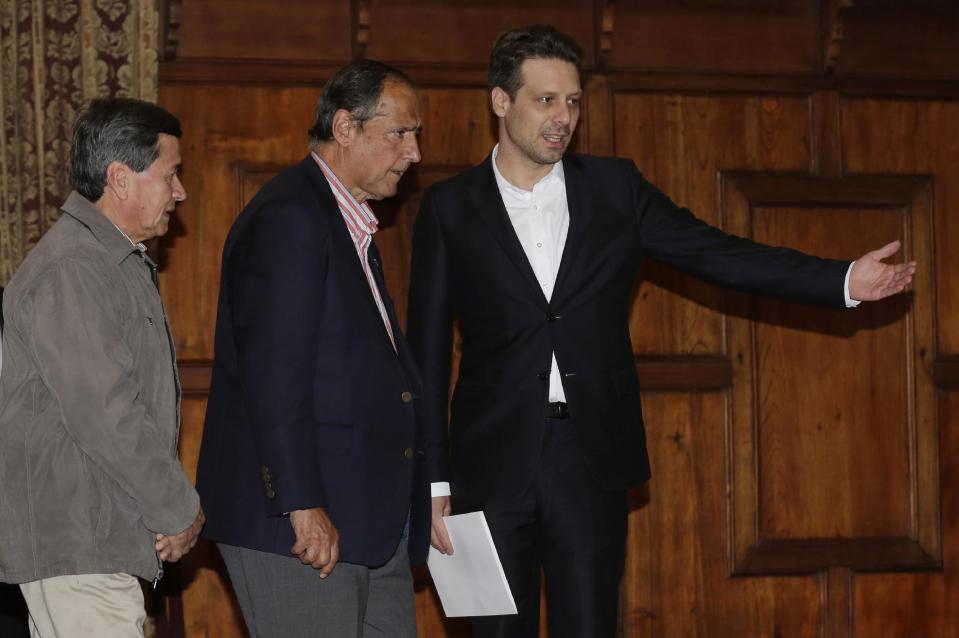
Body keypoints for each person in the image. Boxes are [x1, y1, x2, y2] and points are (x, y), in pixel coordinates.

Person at [407, 24, 917, 638]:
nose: (563, 117)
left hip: (590, 461)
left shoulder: (616, 190)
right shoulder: (449, 207)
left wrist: (840, 280)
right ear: (500, 101)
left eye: (573, 101)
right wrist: (433, 480)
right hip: (485, 469)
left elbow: (721, 254)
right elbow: (427, 356)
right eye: (546, 100)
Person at [196, 59, 430, 638]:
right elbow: (276, 378)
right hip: (300, 529)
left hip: (368, 523)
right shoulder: (291, 218)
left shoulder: (348, 224)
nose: (414, 152)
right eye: (400, 132)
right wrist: (301, 504)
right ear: (345, 127)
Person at [0, 97, 204, 637]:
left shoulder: (106, 260)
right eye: (171, 173)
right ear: (120, 178)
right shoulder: (74, 268)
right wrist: (179, 509)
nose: (179, 191)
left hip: (94, 539)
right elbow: (108, 413)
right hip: (81, 545)